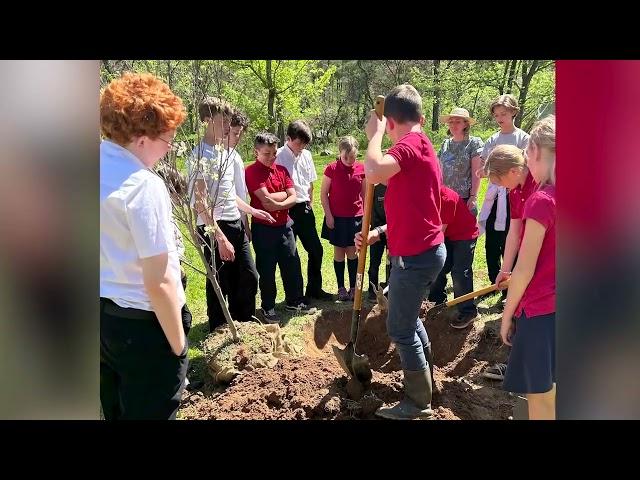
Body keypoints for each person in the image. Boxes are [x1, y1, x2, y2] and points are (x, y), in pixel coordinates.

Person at [100, 72, 188, 419]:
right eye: (167, 141)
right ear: (142, 137)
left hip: (102, 319)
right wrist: (179, 346)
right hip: (144, 325)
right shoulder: (142, 185)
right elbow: (159, 280)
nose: (169, 149)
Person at [364, 84, 445, 420]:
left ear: (393, 122)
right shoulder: (420, 144)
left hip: (414, 258)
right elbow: (412, 206)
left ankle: (417, 403)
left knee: (400, 328)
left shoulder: (410, 144)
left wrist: (375, 133)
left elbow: (373, 170)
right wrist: (380, 232)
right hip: (420, 250)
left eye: (388, 125)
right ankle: (427, 381)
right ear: (421, 117)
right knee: (407, 319)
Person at [496, 116, 556, 420]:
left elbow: (524, 270)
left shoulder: (542, 201)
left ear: (533, 152)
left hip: (540, 313)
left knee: (541, 400)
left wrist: (507, 315)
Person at [245, 132, 314, 323]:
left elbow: (294, 196)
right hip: (264, 228)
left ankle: (294, 300)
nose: (271, 157)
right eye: (267, 153)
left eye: (274, 153)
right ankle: (268, 306)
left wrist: (279, 201)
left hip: (285, 226)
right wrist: (283, 197)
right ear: (256, 151)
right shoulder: (251, 171)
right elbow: (265, 201)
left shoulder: (282, 170)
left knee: (292, 263)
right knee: (267, 269)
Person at [477, 94, 530, 304]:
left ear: (513, 113)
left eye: (504, 114)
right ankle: (493, 282)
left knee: (512, 238)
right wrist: (484, 172)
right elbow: (484, 165)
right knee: (492, 242)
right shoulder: (492, 139)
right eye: (497, 115)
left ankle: (510, 289)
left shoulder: (523, 138)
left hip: (513, 196)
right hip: (495, 196)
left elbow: (525, 168)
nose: (500, 118)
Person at [275, 120, 333, 301]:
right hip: (287, 209)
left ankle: (314, 289)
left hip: (304, 209)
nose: (301, 147)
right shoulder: (277, 157)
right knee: (291, 255)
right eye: (299, 143)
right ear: (289, 138)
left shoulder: (307, 155)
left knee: (316, 249)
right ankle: (296, 296)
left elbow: (310, 183)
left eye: (304, 144)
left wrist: (310, 202)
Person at [428, 185, 480, 329]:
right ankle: (436, 303)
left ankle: (468, 311)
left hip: (465, 234)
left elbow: (438, 233)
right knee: (438, 268)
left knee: (460, 272)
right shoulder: (424, 196)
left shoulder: (447, 198)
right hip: (448, 234)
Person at [320, 136, 365, 301]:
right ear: (340, 153)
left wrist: (366, 217)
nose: (349, 160)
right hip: (337, 218)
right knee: (339, 252)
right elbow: (323, 194)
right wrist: (329, 216)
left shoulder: (361, 169)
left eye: (352, 157)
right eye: (346, 157)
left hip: (355, 218)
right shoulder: (331, 169)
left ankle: (354, 287)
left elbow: (365, 195)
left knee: (352, 252)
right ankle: (341, 287)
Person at [437, 107, 484, 215]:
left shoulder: (474, 143)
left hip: (464, 198)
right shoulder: (445, 144)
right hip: (445, 196)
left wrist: (473, 196)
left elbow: (476, 173)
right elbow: (438, 170)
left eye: (458, 122)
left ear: (466, 124)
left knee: (464, 230)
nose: (454, 125)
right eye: (451, 122)